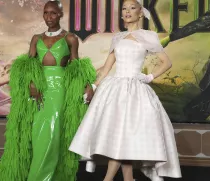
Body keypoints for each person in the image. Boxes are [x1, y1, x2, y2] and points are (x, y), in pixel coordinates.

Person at [0, 1, 96, 181]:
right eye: (45, 13)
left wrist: (88, 85)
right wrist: (31, 83)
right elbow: (28, 66)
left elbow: (76, 66)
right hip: (38, 92)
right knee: (37, 135)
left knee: (52, 135)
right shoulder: (37, 38)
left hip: (59, 91)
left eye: (53, 13)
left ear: (60, 14)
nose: (49, 17)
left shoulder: (70, 38)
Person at [68, 0, 182, 181]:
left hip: (136, 92)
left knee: (124, 138)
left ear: (140, 13)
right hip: (115, 91)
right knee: (121, 139)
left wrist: (149, 77)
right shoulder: (117, 37)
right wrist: (94, 87)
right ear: (121, 14)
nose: (127, 11)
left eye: (132, 8)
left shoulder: (148, 36)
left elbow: (166, 62)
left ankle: (108, 178)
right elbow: (106, 69)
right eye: (124, 8)